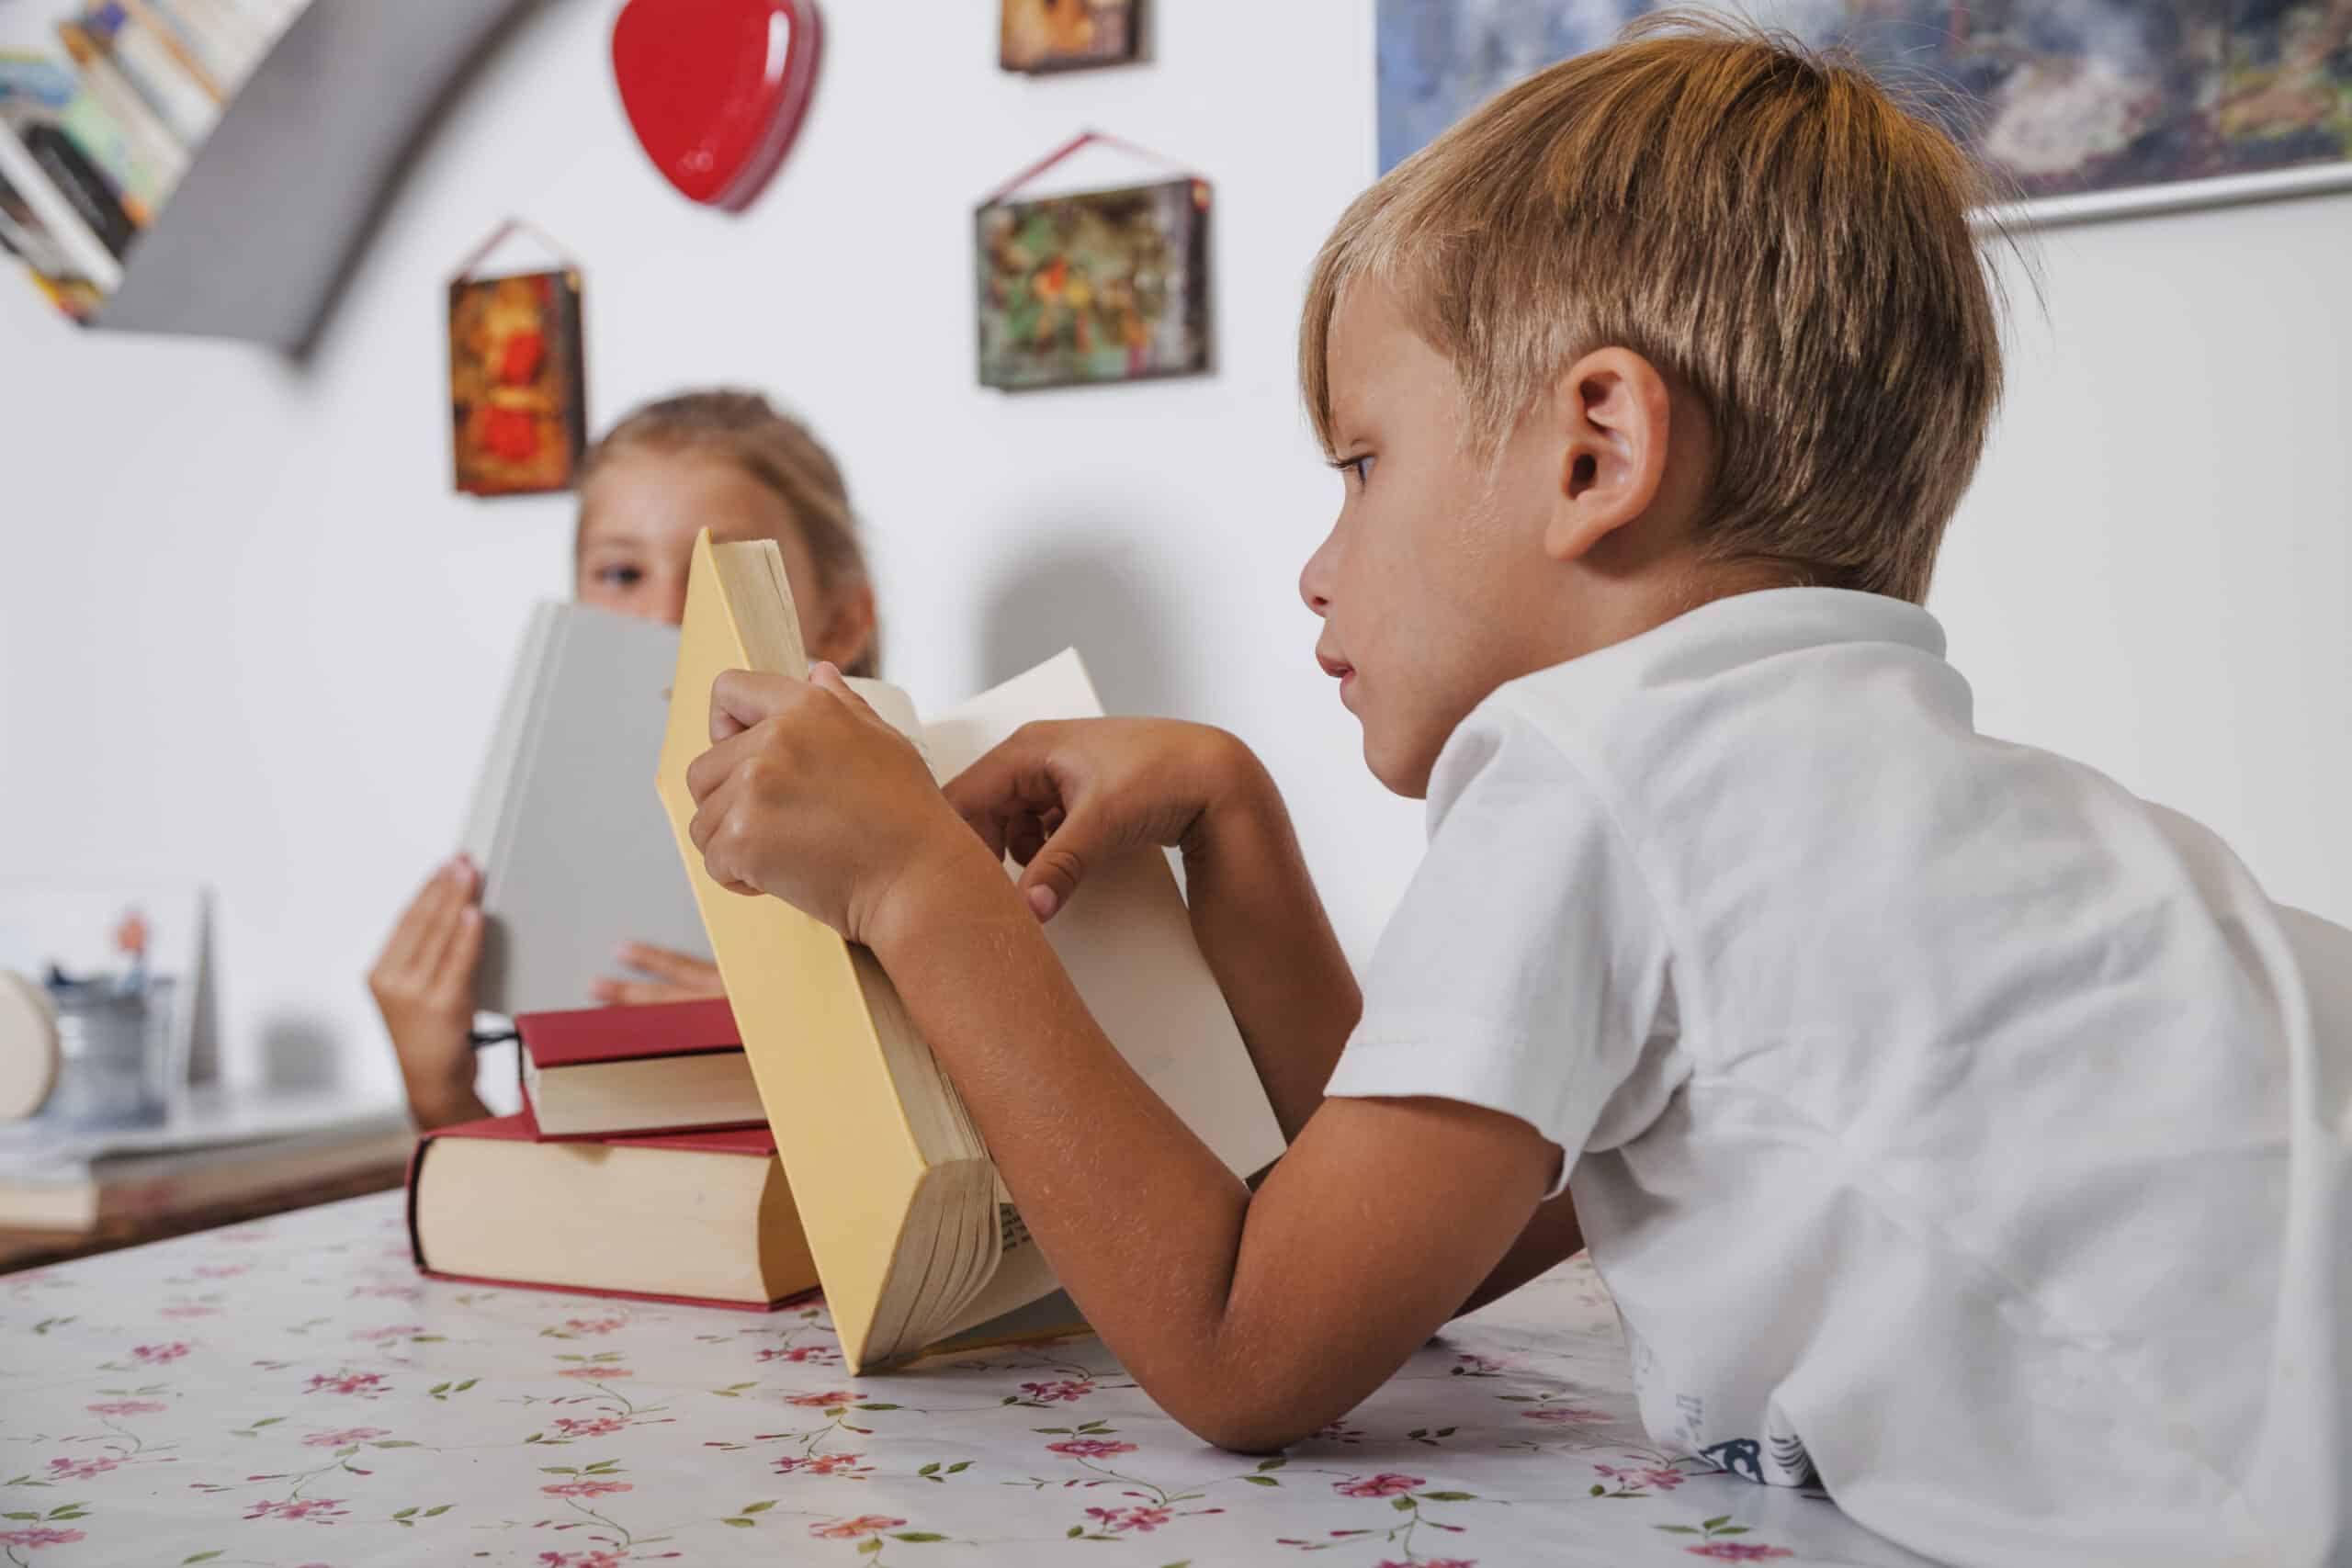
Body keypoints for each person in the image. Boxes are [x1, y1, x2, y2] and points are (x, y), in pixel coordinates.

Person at [673, 20, 2347, 1568]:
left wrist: (915, 883)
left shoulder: (1598, 771)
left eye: (1362, 462)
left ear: (1595, 452)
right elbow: (1417, 1244)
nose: (1320, 568)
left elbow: (1250, 1342)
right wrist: (1239, 824)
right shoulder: (1833, 781)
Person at [369, 390, 879, 1131]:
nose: (667, 617)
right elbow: (561, 1211)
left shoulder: (911, 852)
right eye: (621, 574)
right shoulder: (546, 858)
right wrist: (439, 1092)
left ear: (843, 619)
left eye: (720, 577)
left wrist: (801, 1042)